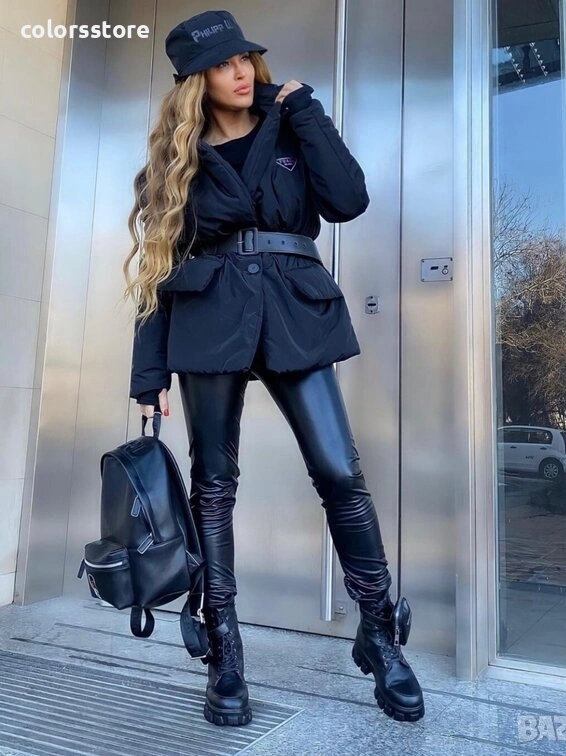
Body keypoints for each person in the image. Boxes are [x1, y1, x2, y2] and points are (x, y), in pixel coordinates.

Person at [122, 9, 424, 727]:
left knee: (340, 473)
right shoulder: (177, 157)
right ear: (195, 81)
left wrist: (307, 112)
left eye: (244, 58)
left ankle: (378, 631)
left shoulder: (291, 124)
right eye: (221, 65)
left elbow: (348, 200)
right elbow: (157, 270)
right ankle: (225, 652)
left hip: (294, 311)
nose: (239, 71)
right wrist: (148, 375)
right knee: (214, 487)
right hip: (207, 318)